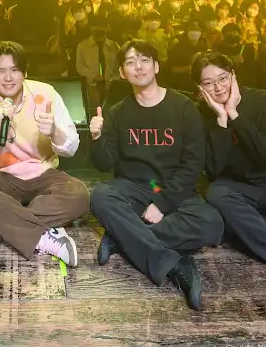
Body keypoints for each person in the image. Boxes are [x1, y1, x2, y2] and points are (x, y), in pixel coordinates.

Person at [88, 39, 223, 311]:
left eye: (144, 60)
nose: (138, 67)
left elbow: (193, 163)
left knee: (213, 224)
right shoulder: (118, 112)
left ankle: (121, 238)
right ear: (122, 73)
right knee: (100, 196)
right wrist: (96, 136)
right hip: (133, 189)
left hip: (174, 191)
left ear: (156, 67)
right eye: (130, 62)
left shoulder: (183, 108)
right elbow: (104, 164)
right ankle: (173, 265)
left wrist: (162, 203)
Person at [0, 41, 89, 267]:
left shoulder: (46, 94)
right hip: (2, 177)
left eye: (15, 70)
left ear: (25, 73)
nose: (8, 78)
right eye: (1, 71)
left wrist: (54, 132)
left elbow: (71, 148)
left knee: (79, 195)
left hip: (44, 173)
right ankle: (45, 237)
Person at [193, 51, 266, 270]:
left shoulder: (263, 100)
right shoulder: (198, 113)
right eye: (208, 83)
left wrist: (234, 115)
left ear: (233, 76)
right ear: (200, 88)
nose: (218, 88)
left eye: (223, 79)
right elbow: (214, 170)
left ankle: (247, 227)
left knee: (238, 223)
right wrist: (221, 120)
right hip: (234, 191)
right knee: (216, 194)